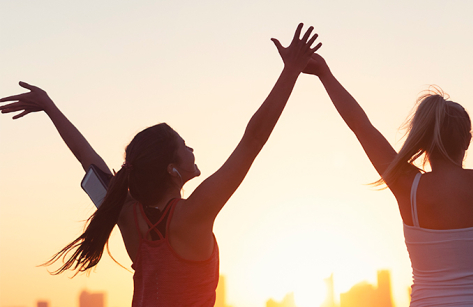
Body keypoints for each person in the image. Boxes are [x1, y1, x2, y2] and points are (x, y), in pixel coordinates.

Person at [0, 23, 321, 307]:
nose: (191, 148)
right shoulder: (192, 215)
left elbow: (88, 160)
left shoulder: (126, 214)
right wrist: (290, 69)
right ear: (172, 168)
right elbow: (253, 141)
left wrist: (49, 107)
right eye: (183, 145)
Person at [303, 27, 473, 306]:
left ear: (425, 142)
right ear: (467, 140)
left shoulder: (408, 186)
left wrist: (325, 74)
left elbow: (361, 126)